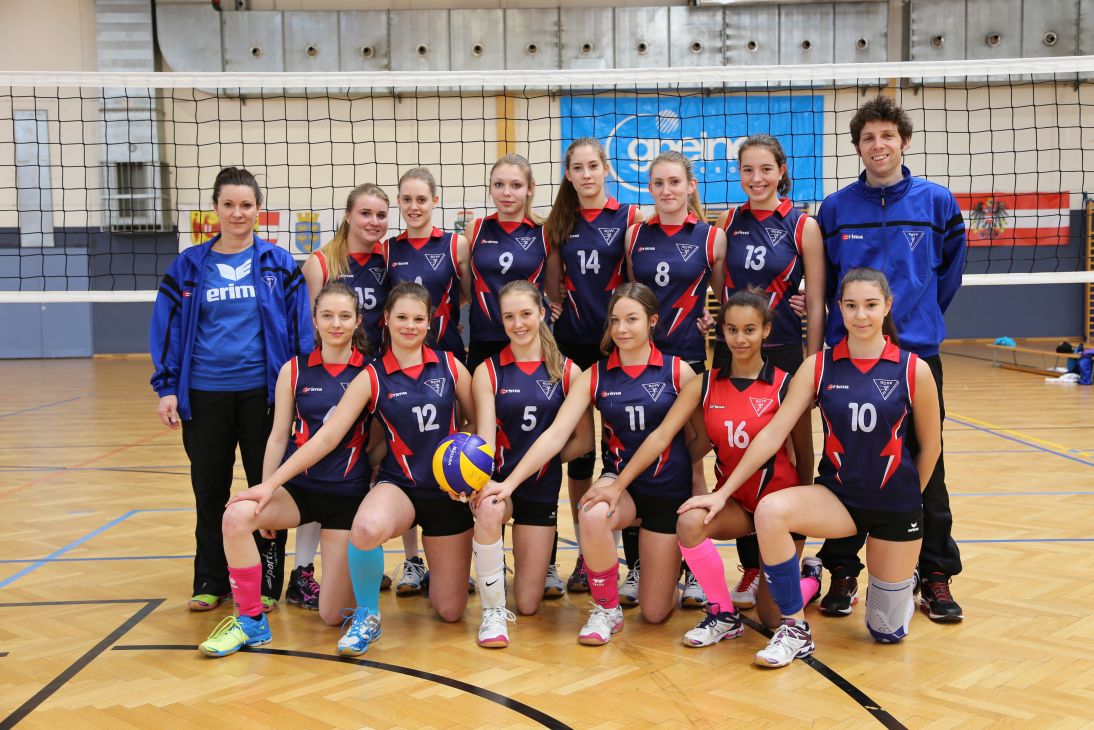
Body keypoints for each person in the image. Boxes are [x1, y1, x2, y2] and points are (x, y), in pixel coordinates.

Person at [712, 267, 941, 667]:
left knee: (885, 631)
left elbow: (932, 447)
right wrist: (723, 492)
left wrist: (908, 503)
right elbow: (772, 434)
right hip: (839, 500)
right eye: (851, 306)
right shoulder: (818, 367)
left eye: (870, 305)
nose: (861, 315)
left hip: (896, 507)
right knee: (770, 511)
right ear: (840, 308)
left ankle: (902, 584)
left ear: (887, 306)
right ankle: (795, 629)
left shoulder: (913, 369)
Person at [250, 282, 477, 655]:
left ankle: (434, 575)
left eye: (418, 319)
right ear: (385, 319)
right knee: (367, 526)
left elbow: (477, 423)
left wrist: (461, 463)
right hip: (400, 487)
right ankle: (367, 616)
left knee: (450, 611)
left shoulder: (451, 366)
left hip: (446, 492)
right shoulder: (371, 375)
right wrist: (270, 484)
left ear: (429, 322)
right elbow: (327, 437)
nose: (409, 326)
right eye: (401, 317)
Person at [583, 290, 819, 647]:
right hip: (735, 504)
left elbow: (803, 453)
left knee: (772, 616)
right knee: (690, 521)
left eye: (750, 330)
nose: (740, 339)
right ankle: (723, 613)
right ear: (721, 331)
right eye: (732, 330)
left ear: (766, 330)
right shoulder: (704, 383)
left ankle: (811, 578)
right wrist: (620, 484)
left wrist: (801, 516)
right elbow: (664, 436)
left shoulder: (786, 385)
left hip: (780, 510)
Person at [815, 95, 966, 622]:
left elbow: (948, 275)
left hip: (915, 355)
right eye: (867, 138)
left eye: (887, 135)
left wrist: (917, 322)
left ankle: (936, 574)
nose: (878, 145)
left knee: (928, 462)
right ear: (857, 147)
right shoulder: (836, 208)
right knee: (843, 462)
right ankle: (841, 570)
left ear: (904, 140)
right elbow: (828, 280)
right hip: (849, 357)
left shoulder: (937, 202)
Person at [481, 284, 696, 645]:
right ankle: (607, 607)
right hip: (620, 484)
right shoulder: (594, 375)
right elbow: (556, 434)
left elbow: (698, 441)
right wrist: (509, 483)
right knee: (592, 511)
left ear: (652, 321)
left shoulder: (680, 372)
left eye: (631, 319)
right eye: (615, 320)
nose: (622, 329)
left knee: (655, 612)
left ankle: (668, 577)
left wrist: (690, 481)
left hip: (667, 490)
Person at [150, 166, 311, 613]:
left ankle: (266, 583)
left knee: (267, 490)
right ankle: (211, 580)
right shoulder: (188, 265)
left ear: (258, 210)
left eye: (246, 205)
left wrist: (301, 388)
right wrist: (167, 387)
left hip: (265, 397)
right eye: (228, 205)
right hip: (205, 396)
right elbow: (167, 329)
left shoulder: (278, 263)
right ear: (215, 209)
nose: (237, 213)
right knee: (209, 492)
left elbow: (300, 329)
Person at [197, 282, 375, 656]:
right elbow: (278, 437)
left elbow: (370, 438)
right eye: (327, 315)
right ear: (314, 320)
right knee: (236, 517)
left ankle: (359, 603)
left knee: (332, 615)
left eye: (345, 316)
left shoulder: (370, 373)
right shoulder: (293, 370)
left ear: (358, 321)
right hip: (299, 492)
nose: (336, 324)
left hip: (347, 498)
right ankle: (251, 621)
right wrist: (267, 489)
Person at [713, 134, 826, 611]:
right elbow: (718, 291)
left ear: (781, 171)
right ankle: (752, 564)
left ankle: (792, 556)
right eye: (747, 170)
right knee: (736, 450)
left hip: (783, 354)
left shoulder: (803, 226)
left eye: (765, 169)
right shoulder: (727, 221)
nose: (756, 179)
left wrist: (814, 365)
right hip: (737, 353)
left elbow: (815, 301)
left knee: (795, 455)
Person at [624, 150, 727, 607]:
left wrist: (711, 320)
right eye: (658, 183)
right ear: (649, 189)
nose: (666, 190)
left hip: (687, 361)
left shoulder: (711, 238)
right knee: (635, 456)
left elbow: (723, 298)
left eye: (674, 182)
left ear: (690, 186)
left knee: (691, 460)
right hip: (640, 360)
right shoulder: (635, 235)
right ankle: (638, 564)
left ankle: (694, 568)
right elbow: (631, 296)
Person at [544, 137, 644, 597]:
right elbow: (552, 285)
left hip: (616, 345)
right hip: (571, 347)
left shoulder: (629, 217)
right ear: (568, 175)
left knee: (622, 448)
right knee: (580, 454)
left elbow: (636, 282)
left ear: (606, 168)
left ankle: (635, 561)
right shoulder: (559, 221)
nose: (586, 174)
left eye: (592, 166)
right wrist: (552, 304)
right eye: (577, 168)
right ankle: (587, 557)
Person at [469, 280, 593, 648]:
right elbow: (486, 441)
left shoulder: (568, 372)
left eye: (525, 314)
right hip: (501, 486)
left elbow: (583, 441)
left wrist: (543, 464)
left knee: (527, 604)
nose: (518, 323)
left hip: (540, 489)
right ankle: (492, 611)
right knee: (490, 508)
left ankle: (503, 576)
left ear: (541, 313)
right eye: (509, 316)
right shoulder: (488, 371)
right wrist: (480, 483)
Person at [296, 184, 399, 605]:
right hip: (334, 374)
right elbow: (311, 328)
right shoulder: (322, 262)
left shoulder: (388, 259)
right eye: (365, 214)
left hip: (377, 375)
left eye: (380, 215)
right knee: (318, 466)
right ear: (348, 216)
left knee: (366, 468)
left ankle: (361, 561)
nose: (373, 222)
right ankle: (303, 571)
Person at [385, 167, 474, 596]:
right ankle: (412, 560)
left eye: (421, 199)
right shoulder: (389, 250)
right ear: (398, 203)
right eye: (406, 199)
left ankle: (453, 558)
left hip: (445, 359)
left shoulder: (455, 245)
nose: (414, 206)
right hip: (401, 365)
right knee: (405, 452)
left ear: (435, 201)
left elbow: (468, 294)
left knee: (450, 448)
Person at [466, 154, 551, 374]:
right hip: (484, 337)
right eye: (498, 184)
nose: (506, 192)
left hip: (530, 338)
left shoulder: (545, 231)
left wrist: (557, 306)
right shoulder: (475, 229)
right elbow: (465, 287)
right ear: (490, 187)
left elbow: (554, 285)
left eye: (516, 185)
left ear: (530, 188)